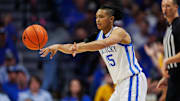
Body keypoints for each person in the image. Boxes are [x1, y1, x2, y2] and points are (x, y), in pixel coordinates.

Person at [40, 4, 147, 101]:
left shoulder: (119, 32)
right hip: (119, 85)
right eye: (96, 17)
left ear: (111, 19)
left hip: (132, 80)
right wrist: (58, 46)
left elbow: (104, 43)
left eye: (101, 17)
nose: (97, 20)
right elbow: (75, 47)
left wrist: (82, 47)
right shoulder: (98, 36)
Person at [157, 0, 180, 101]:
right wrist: (167, 77)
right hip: (173, 78)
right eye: (163, 6)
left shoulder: (178, 25)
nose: (165, 9)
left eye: (168, 6)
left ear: (176, 7)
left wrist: (166, 61)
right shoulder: (169, 27)